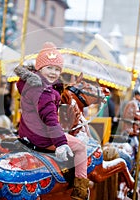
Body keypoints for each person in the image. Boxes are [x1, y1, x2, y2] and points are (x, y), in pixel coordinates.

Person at [15, 42, 89, 200]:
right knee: (81, 147)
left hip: (27, 133)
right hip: (42, 137)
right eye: (49, 67)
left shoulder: (30, 84)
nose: (53, 72)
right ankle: (80, 190)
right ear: (39, 68)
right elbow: (50, 119)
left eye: (57, 69)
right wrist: (61, 143)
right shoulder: (45, 91)